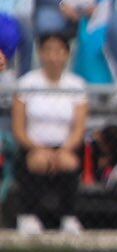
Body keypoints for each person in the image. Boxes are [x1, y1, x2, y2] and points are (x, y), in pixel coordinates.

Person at [10, 34, 89, 237]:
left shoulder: (76, 85)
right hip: (33, 145)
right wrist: (38, 148)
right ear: (41, 54)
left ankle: (68, 217)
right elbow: (18, 128)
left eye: (59, 51)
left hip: (64, 146)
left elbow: (79, 128)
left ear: (67, 55)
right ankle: (28, 216)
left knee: (68, 162)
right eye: (49, 50)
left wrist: (64, 149)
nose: (54, 56)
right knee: (38, 161)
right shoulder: (27, 82)